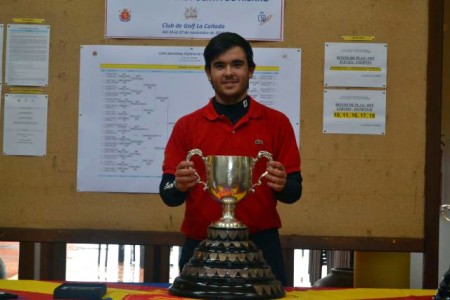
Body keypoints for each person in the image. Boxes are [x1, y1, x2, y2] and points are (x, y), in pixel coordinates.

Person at [159, 32, 302, 286]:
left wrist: (283, 184)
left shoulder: (277, 123)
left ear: (251, 70)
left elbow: (294, 191)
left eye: (237, 64)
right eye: (219, 65)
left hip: (261, 246)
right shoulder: (186, 126)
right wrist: (178, 185)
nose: (228, 73)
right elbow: (168, 194)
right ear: (208, 73)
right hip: (201, 246)